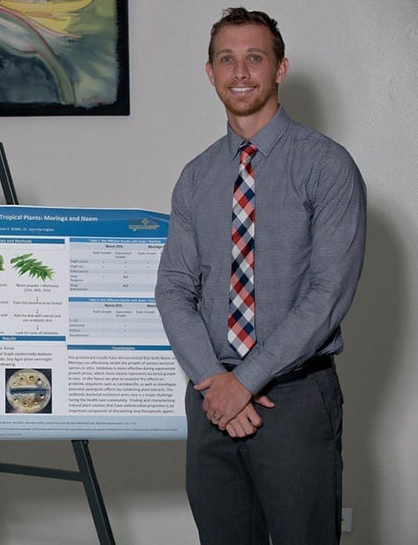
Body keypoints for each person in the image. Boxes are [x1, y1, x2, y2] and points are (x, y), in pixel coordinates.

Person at [155, 7, 366, 545]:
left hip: (293, 398)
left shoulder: (327, 166)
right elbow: (173, 291)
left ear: (280, 68)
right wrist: (216, 384)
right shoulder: (196, 177)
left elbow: (328, 294)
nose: (241, 71)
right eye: (227, 59)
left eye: (255, 57)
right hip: (210, 398)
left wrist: (244, 383)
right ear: (210, 72)